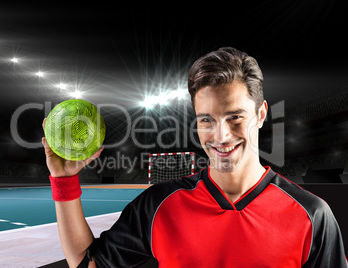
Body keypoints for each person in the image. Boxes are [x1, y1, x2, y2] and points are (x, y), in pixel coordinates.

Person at [41, 47, 348, 268]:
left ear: (261, 114)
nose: (221, 136)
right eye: (206, 120)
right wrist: (64, 181)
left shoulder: (312, 216)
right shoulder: (160, 206)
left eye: (235, 117)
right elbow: (86, 264)